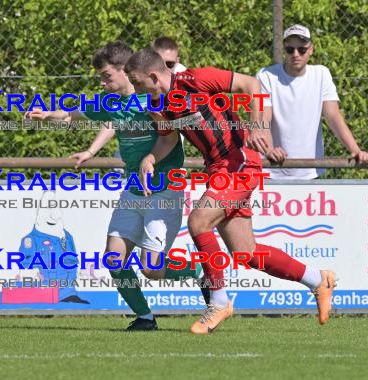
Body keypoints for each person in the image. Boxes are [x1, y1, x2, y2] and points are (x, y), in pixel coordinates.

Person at [125, 48, 337, 334]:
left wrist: (258, 126)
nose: (135, 89)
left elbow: (252, 84)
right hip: (218, 170)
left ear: (153, 76)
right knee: (247, 253)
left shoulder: (197, 79)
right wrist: (150, 157)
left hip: (240, 161)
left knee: (198, 222)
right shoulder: (156, 105)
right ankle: (318, 280)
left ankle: (219, 301)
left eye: (137, 82)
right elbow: (167, 139)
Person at [25, 41, 207, 331]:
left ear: (125, 71)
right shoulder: (109, 102)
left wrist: (151, 158)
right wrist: (47, 115)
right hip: (133, 191)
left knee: (151, 269)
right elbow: (74, 113)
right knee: (114, 259)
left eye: (106, 75)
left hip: (164, 191)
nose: (102, 81)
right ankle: (145, 318)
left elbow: (172, 137)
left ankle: (198, 270)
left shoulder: (153, 99)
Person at [256, 24, 368, 179]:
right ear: (284, 50)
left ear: (311, 49)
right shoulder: (266, 76)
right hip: (271, 171)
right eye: (290, 49)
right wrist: (270, 150)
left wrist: (355, 150)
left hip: (310, 172)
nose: (295, 54)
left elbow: (333, 116)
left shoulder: (321, 74)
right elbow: (264, 118)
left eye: (302, 49)